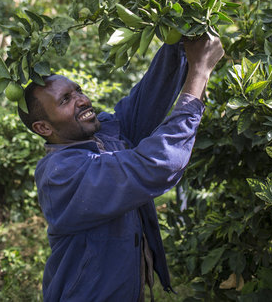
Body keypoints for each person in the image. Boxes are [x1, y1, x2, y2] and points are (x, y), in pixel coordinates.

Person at [18, 34, 224, 302]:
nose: (82, 99)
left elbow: (147, 99)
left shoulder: (103, 135)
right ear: (44, 128)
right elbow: (155, 165)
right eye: (65, 100)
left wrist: (179, 39)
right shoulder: (61, 174)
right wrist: (198, 73)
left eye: (78, 90)